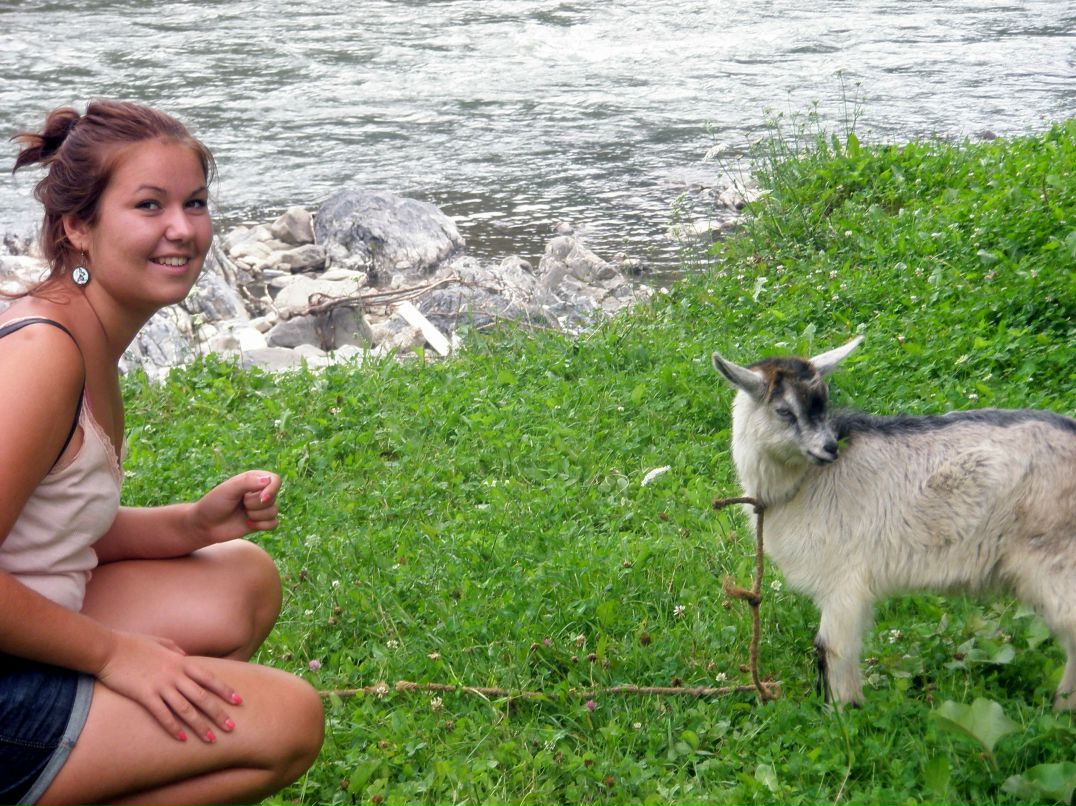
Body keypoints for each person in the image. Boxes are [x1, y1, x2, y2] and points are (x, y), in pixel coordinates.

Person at [0, 100, 324, 806]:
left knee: (237, 579)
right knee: (289, 720)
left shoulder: (83, 331)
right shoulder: (39, 357)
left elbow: (40, 530)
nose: (182, 229)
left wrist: (192, 527)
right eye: (149, 205)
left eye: (195, 202)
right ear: (77, 227)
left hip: (23, 633)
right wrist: (119, 659)